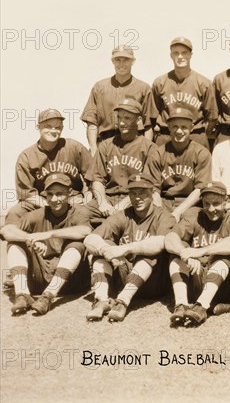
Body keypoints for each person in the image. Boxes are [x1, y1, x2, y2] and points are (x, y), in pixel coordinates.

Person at [83, 173, 175, 322]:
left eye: (142, 193)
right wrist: (107, 251)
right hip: (126, 275)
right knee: (103, 248)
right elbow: (90, 239)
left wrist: (126, 249)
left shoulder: (164, 216)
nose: (137, 198)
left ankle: (123, 301)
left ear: (152, 193)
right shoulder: (123, 215)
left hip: (153, 283)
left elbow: (161, 242)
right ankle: (101, 299)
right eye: (133, 193)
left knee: (148, 252)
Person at [1, 173, 92, 316]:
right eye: (50, 194)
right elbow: (6, 230)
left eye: (59, 194)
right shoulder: (40, 213)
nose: (54, 199)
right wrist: (29, 238)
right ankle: (22, 294)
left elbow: (85, 231)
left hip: (70, 281)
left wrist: (48, 234)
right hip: (41, 276)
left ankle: (48, 296)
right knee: (14, 242)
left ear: (70, 193)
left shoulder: (79, 211)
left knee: (77, 244)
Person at [164, 181, 230, 326]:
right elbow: (169, 238)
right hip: (198, 278)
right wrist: (184, 253)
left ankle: (202, 305)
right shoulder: (194, 216)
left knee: (226, 254)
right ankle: (181, 305)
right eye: (206, 204)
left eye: (216, 203)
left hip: (225, 286)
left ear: (226, 201)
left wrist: (198, 252)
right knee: (177, 249)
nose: (211, 209)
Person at [5, 108, 91, 225]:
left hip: (72, 199)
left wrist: (87, 196)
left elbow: (93, 176)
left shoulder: (74, 147)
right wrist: (51, 204)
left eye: (57, 127)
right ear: (38, 127)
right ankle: (17, 242)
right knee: (15, 212)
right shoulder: (26, 156)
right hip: (43, 202)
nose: (53, 130)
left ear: (62, 128)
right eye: (48, 126)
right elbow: (27, 194)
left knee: (92, 212)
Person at [83, 99, 158, 225]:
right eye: (119, 117)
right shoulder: (106, 145)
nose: (122, 122)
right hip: (107, 198)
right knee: (80, 213)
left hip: (135, 200)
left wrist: (120, 207)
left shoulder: (150, 148)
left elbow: (148, 186)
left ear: (139, 120)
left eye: (127, 118)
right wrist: (102, 203)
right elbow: (97, 179)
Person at [81, 45, 155, 156]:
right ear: (112, 61)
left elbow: (148, 125)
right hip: (105, 142)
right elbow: (92, 122)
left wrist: (147, 151)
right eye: (117, 60)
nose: (121, 64)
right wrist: (93, 148)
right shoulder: (100, 87)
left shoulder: (143, 88)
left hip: (134, 145)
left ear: (133, 61)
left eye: (126, 60)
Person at [146, 107, 212, 222]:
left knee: (188, 225)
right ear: (169, 128)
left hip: (190, 204)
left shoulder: (201, 153)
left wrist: (177, 213)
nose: (179, 131)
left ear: (191, 128)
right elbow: (153, 189)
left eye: (184, 127)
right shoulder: (158, 153)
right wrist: (161, 214)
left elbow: (199, 190)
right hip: (163, 201)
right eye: (175, 126)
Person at [152, 37, 215, 149]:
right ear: (171, 55)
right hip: (166, 135)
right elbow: (153, 115)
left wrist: (201, 134)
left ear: (191, 55)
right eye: (176, 53)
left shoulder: (204, 83)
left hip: (195, 135)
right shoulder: (160, 82)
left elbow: (211, 118)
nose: (180, 56)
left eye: (184, 53)